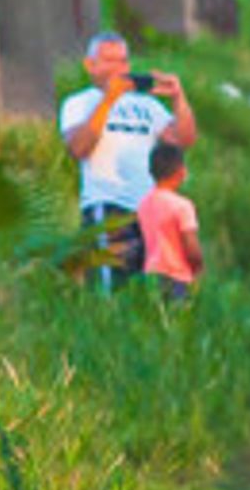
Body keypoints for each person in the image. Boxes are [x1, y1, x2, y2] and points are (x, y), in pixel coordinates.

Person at [61, 34, 196, 286]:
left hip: (150, 208)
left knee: (159, 291)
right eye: (109, 61)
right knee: (111, 288)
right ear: (90, 65)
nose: (117, 69)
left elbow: (184, 138)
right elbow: (79, 148)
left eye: (122, 61)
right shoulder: (79, 103)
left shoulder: (147, 106)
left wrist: (178, 99)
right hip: (108, 205)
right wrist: (109, 99)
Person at [135, 141, 202, 299]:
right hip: (177, 277)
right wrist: (198, 268)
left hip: (151, 273)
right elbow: (191, 246)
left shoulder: (144, 204)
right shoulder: (182, 206)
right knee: (177, 320)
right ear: (180, 172)